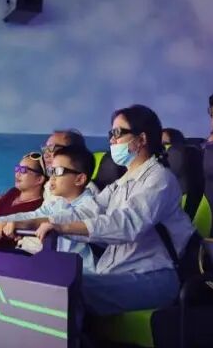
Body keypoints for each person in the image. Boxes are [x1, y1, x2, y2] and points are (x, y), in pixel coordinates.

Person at [26, 105, 196, 315]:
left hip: (153, 277)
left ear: (141, 139)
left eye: (117, 133)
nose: (112, 140)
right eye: (111, 134)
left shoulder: (160, 179)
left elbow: (126, 224)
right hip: (117, 273)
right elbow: (84, 211)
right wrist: (20, 223)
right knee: (49, 282)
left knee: (68, 289)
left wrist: (62, 228)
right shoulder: (120, 184)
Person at [0, 145, 98, 271]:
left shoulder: (91, 206)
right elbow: (29, 215)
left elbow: (62, 219)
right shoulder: (59, 204)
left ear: (79, 179)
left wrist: (22, 224)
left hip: (80, 275)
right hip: (55, 267)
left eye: (58, 171)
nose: (51, 178)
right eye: (51, 171)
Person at [40, 129, 98, 205]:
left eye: (51, 148)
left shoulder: (88, 190)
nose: (45, 155)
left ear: (71, 151)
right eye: (45, 149)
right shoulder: (49, 186)